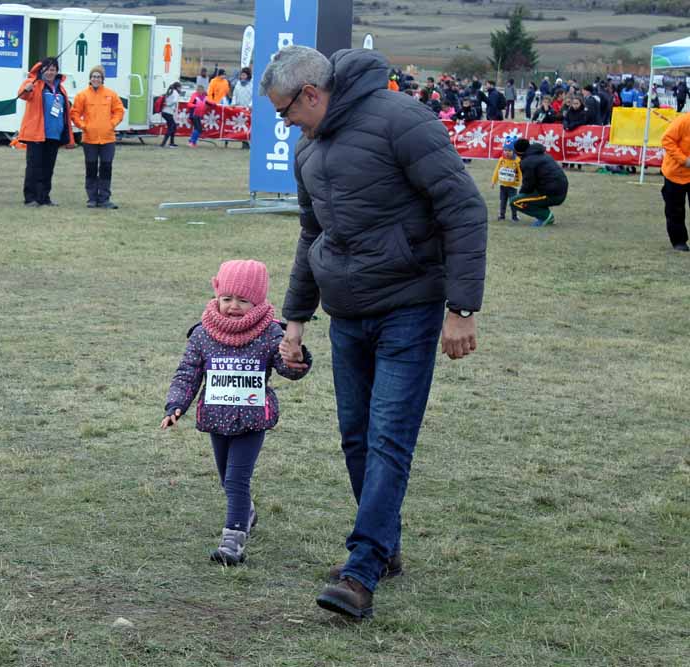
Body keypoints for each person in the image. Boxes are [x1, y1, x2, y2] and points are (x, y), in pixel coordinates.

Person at [259, 45, 487, 621]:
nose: (282, 123)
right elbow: (312, 234)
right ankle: (384, 545)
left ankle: (361, 569)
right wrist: (295, 319)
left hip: (409, 306)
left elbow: (463, 207)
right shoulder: (309, 149)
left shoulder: (403, 120)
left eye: (284, 110)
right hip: (346, 314)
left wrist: (462, 307)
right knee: (356, 437)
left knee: (388, 437)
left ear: (311, 94)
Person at [162, 259, 312, 566]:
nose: (233, 306)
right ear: (216, 294)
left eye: (243, 300)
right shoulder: (202, 334)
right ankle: (246, 512)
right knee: (225, 478)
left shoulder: (271, 333)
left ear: (258, 301)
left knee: (236, 479)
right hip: (216, 418)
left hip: (252, 420)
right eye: (227, 298)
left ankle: (233, 539)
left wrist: (297, 358)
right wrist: (175, 405)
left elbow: (288, 369)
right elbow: (188, 373)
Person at [16, 57, 76, 207]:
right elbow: (23, 95)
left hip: (54, 135)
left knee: (48, 168)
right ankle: (30, 198)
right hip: (36, 133)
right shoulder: (34, 83)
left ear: (57, 71)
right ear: (42, 70)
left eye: (53, 69)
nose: (51, 72)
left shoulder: (61, 89)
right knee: (34, 167)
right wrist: (27, 88)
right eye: (48, 69)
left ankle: (44, 197)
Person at [70, 64, 125, 209]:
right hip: (89, 139)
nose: (96, 79)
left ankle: (104, 199)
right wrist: (83, 126)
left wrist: (112, 123)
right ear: (90, 78)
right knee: (91, 168)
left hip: (108, 139)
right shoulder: (82, 95)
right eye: (93, 76)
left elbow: (119, 111)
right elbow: (74, 113)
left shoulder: (111, 94)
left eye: (98, 77)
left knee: (106, 168)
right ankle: (92, 198)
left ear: (102, 79)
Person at [509, 139, 569, 228]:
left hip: (551, 193)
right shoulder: (542, 154)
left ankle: (545, 217)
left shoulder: (527, 162)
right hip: (559, 190)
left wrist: (521, 195)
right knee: (529, 197)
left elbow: (528, 185)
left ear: (518, 153)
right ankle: (546, 214)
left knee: (514, 201)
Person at [660, 111, 690, 252]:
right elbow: (667, 139)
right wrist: (684, 160)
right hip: (675, 173)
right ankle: (679, 241)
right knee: (675, 209)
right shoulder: (684, 121)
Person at [491, 138, 521, 221]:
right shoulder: (501, 160)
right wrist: (494, 181)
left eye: (509, 150)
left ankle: (514, 216)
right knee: (503, 201)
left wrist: (521, 182)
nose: (507, 152)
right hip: (503, 185)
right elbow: (497, 170)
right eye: (505, 150)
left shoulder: (517, 161)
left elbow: (521, 172)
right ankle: (501, 215)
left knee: (513, 202)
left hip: (513, 186)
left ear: (514, 151)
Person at [159, 81, 182, 148]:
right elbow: (174, 101)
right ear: (178, 87)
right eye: (180, 88)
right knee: (171, 127)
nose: (181, 89)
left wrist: (167, 104)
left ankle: (171, 143)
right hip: (168, 112)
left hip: (164, 112)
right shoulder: (175, 93)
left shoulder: (170, 91)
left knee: (172, 126)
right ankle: (164, 144)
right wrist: (169, 105)